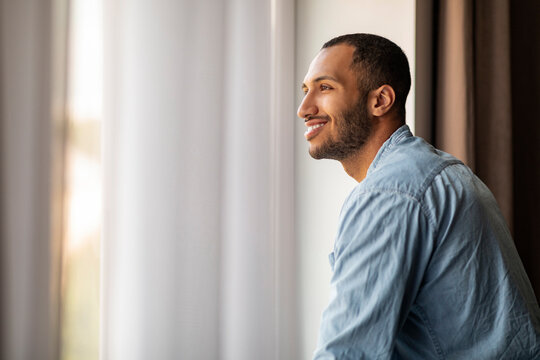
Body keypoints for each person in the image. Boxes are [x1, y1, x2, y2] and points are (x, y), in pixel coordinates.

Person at [298, 33, 540, 359]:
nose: (304, 108)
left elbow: (346, 354)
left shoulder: (390, 195)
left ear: (380, 100)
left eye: (325, 87)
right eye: (305, 90)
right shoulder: (440, 173)